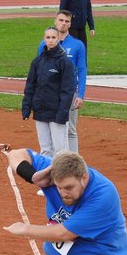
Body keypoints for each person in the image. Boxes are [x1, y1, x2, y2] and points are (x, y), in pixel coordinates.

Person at [37, 10, 87, 153]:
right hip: (49, 93)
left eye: (67, 21)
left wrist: (80, 94)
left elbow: (82, 69)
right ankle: (52, 163)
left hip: (69, 92)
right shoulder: (44, 44)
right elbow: (39, 69)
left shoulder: (78, 45)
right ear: (55, 21)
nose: (63, 24)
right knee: (50, 127)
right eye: (61, 20)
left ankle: (74, 163)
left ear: (70, 24)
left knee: (70, 129)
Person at [22, 26, 75, 158]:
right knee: (45, 150)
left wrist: (62, 113)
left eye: (53, 37)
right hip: (40, 110)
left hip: (57, 112)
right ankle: (49, 178)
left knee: (60, 151)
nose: (50, 40)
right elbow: (30, 86)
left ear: (58, 39)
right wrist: (26, 107)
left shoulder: (64, 62)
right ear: (44, 39)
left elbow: (67, 90)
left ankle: (64, 178)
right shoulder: (37, 62)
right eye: (48, 37)